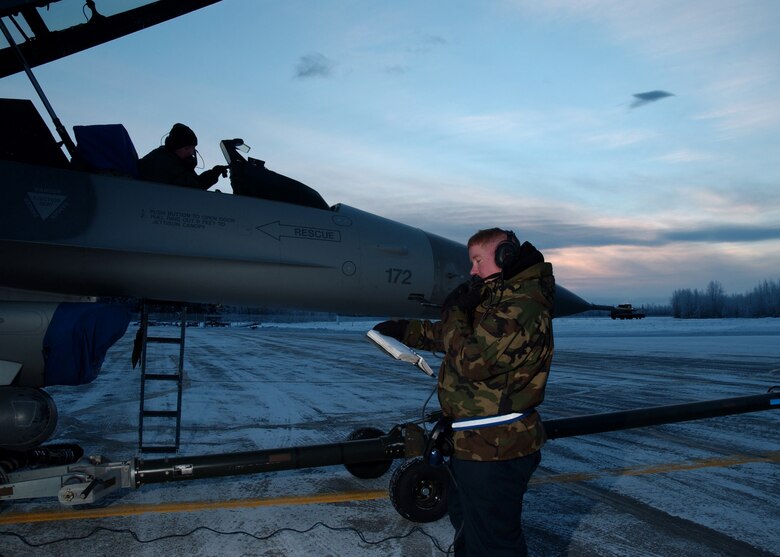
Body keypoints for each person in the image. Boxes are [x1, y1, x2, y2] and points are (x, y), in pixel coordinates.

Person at [374, 228, 555, 556]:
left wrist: (455, 311)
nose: (472, 270)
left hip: (497, 448)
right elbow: (456, 337)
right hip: (473, 443)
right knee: (468, 528)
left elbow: (473, 359)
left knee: (495, 542)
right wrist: (407, 330)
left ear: (504, 256)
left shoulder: (521, 306)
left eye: (476, 261)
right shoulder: (498, 298)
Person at [138, 123, 227, 189]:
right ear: (174, 147)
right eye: (187, 148)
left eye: (193, 148)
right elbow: (191, 190)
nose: (191, 153)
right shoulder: (161, 162)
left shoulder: (176, 162)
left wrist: (213, 174)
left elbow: (195, 185)